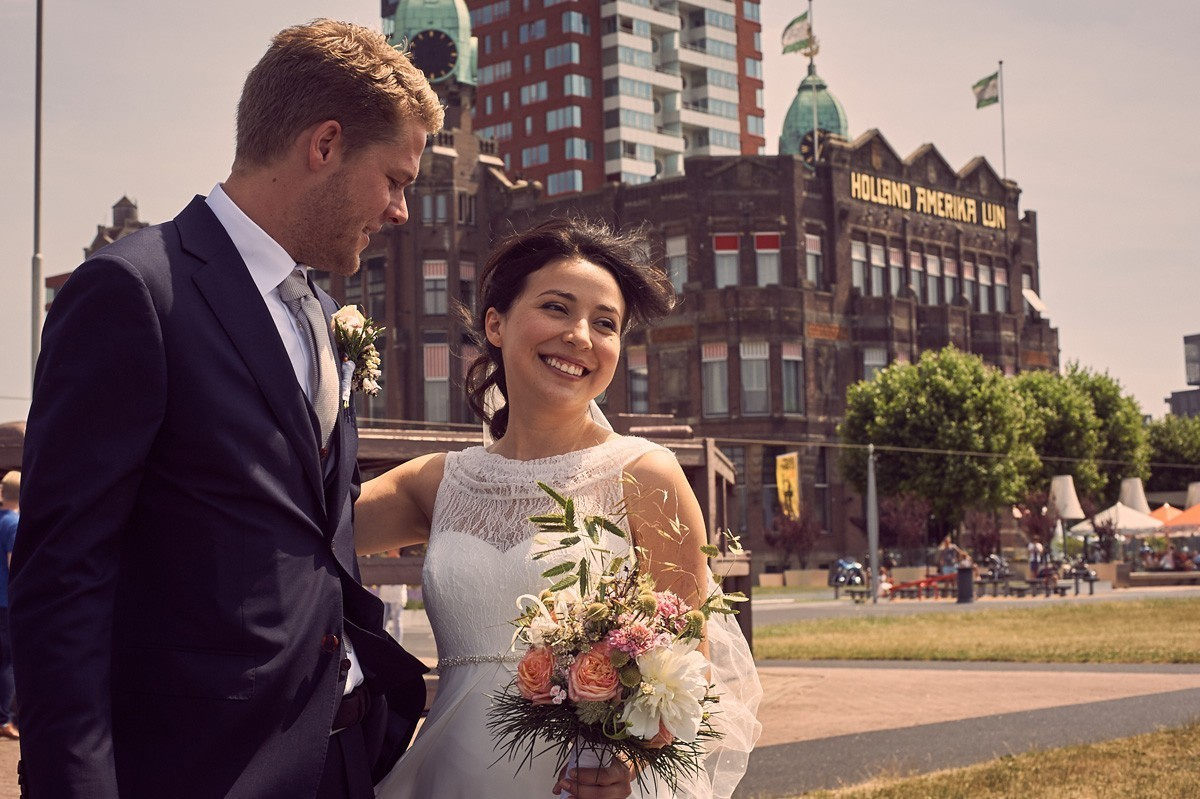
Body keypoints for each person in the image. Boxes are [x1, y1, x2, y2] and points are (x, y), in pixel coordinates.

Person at [10, 20, 443, 798]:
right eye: (396, 179)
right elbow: (61, 580)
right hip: (200, 767)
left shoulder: (321, 308)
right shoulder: (136, 293)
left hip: (343, 757)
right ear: (325, 144)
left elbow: (312, 522)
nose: (400, 211)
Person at [355, 218, 762, 798]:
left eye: (605, 324)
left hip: (583, 784)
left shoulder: (646, 474)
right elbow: (300, 525)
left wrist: (634, 767)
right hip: (449, 775)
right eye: (556, 308)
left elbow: (688, 676)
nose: (580, 336)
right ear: (495, 323)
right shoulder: (437, 481)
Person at [0, 471, 19, 740]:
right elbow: (14, 566)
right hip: (6, 602)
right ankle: (5, 719)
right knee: (10, 663)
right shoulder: (14, 523)